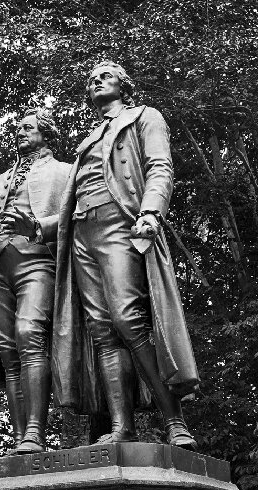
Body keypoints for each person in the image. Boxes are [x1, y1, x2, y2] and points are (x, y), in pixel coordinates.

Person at [52, 61, 199, 450]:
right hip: (83, 233)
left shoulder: (144, 117)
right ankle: (122, 427)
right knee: (102, 329)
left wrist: (151, 210)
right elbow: (68, 202)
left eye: (105, 75)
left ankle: (174, 421)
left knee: (128, 319)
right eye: (91, 79)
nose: (95, 80)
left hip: (120, 223)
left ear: (124, 85)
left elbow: (159, 166)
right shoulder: (86, 139)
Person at [0, 108, 70, 454]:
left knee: (29, 335)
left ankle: (36, 433)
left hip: (38, 261)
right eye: (18, 128)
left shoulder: (65, 173)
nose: (20, 132)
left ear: (45, 132)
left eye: (28, 128)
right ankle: (21, 437)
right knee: (9, 352)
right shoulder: (1, 179)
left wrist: (39, 227)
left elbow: (77, 213)